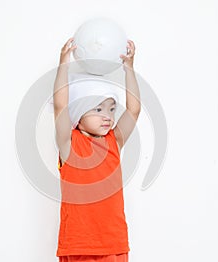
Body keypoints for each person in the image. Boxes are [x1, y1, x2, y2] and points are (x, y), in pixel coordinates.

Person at [53, 37, 141, 262]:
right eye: (98, 109)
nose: (108, 116)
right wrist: (63, 64)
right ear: (79, 114)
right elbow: (61, 105)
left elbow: (133, 110)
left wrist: (128, 70)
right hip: (78, 245)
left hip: (114, 244)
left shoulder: (114, 141)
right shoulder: (68, 145)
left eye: (111, 109)